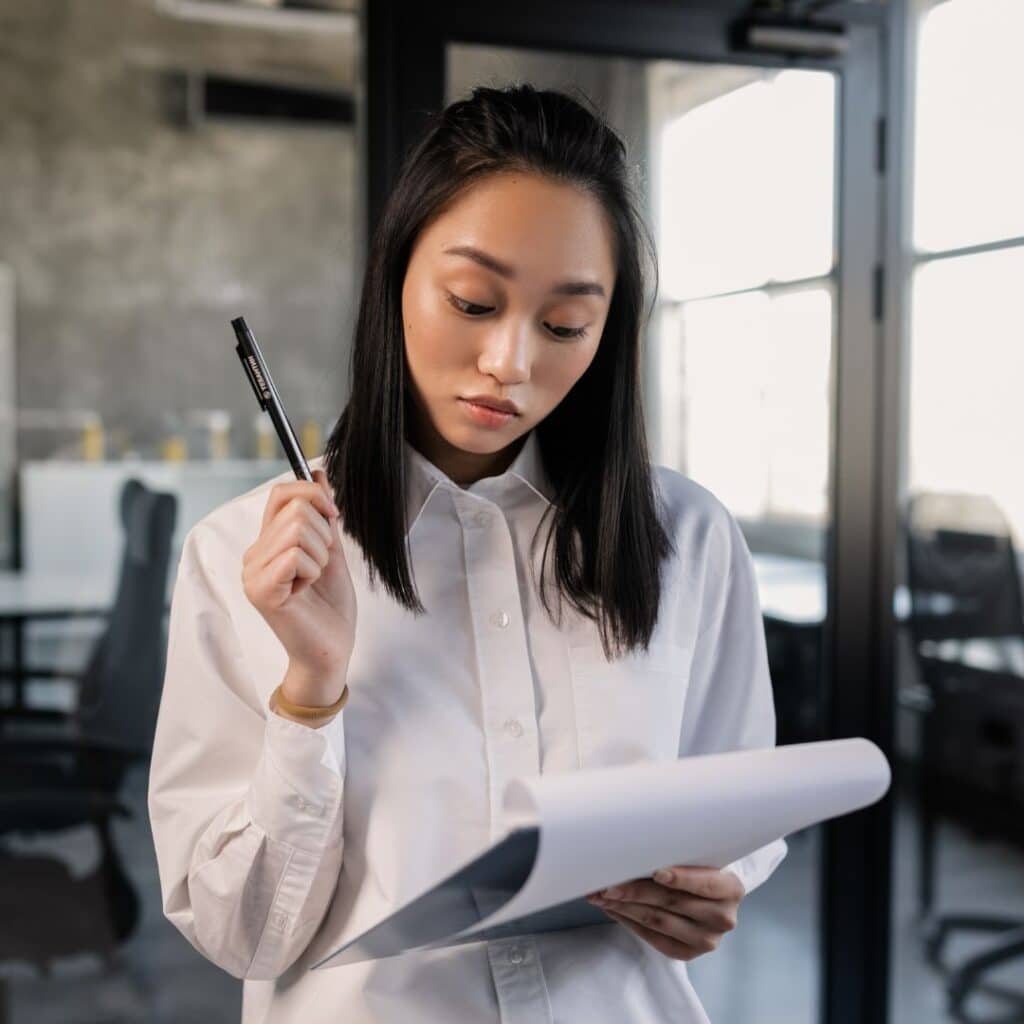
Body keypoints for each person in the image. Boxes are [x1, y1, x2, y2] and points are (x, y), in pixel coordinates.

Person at [148, 83, 787, 1024]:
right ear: (396, 275)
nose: (510, 363)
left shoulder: (687, 540)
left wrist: (710, 886)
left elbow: (735, 811)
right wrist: (311, 689)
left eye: (566, 325)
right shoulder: (240, 555)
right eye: (473, 301)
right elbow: (243, 937)